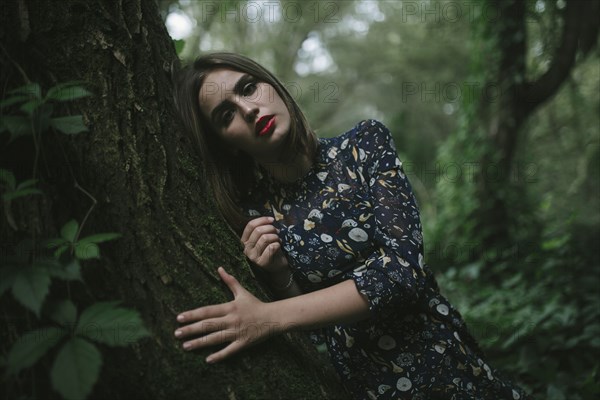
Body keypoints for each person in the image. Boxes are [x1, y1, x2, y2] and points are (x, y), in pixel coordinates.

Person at [172, 52, 530, 400]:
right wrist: (279, 275)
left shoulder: (362, 146)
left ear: (274, 86)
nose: (249, 109)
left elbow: (403, 274)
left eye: (248, 87)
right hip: (363, 385)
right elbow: (313, 329)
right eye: (226, 114)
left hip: (446, 366)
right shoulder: (251, 215)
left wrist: (267, 317)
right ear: (225, 144)